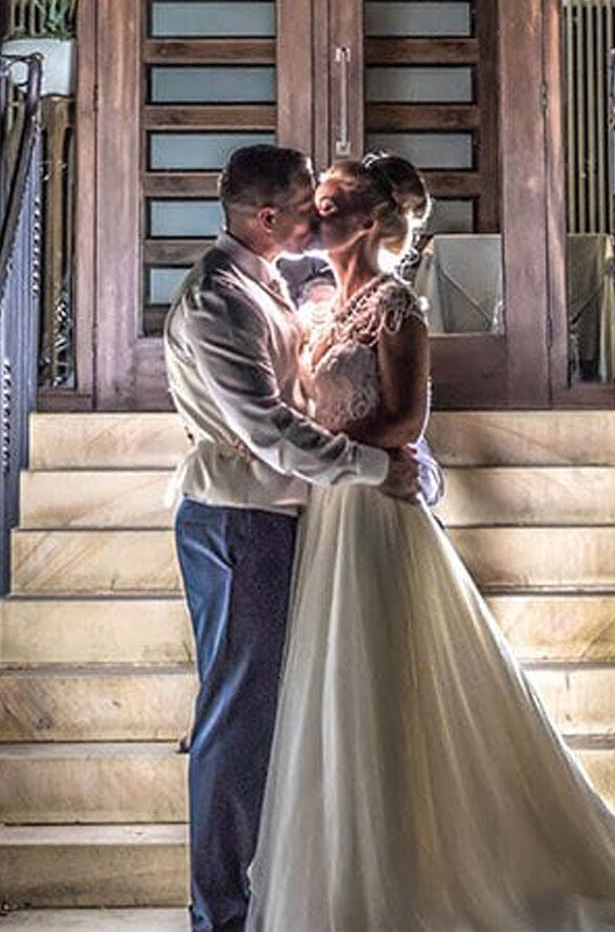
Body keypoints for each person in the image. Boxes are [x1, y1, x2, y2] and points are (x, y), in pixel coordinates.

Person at [247, 152, 615, 932]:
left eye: (330, 201)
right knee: (334, 684)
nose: (314, 210)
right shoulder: (321, 310)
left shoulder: (394, 309)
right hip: (329, 512)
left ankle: (413, 874)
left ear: (368, 222)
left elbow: (407, 420)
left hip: (375, 510)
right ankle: (349, 869)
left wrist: (344, 460)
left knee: (378, 679)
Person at [164, 144, 422, 932]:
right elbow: (271, 431)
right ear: (268, 216)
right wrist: (373, 469)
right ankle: (220, 918)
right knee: (235, 728)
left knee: (267, 719)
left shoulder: (270, 285)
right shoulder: (219, 298)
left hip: (281, 518)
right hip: (239, 520)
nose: (320, 210)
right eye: (309, 200)